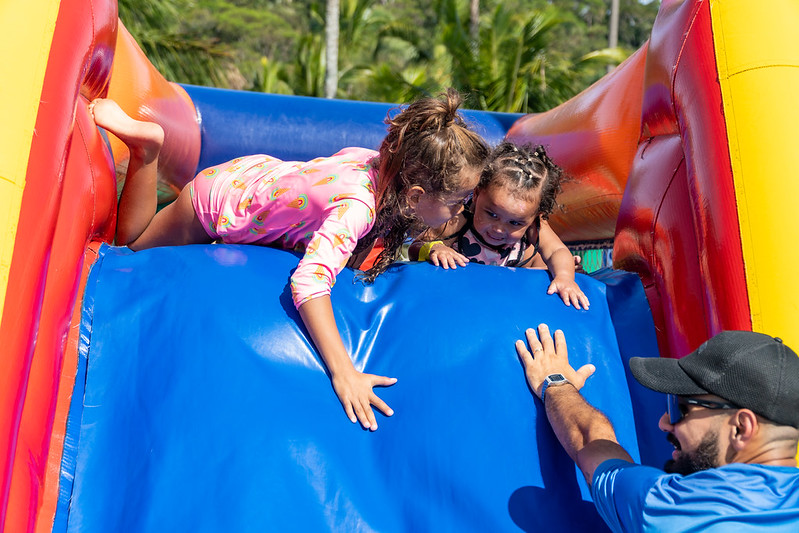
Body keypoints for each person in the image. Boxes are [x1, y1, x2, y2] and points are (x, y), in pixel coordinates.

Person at [90, 89, 489, 432]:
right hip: (217, 203)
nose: (461, 211)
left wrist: (428, 247)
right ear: (416, 195)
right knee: (132, 247)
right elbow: (310, 283)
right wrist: (344, 371)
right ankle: (147, 151)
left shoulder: (379, 165)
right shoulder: (357, 208)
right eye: (457, 202)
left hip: (256, 176)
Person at [516, 324, 799, 531]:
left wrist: (554, 382)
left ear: (740, 428)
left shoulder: (668, 508)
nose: (663, 422)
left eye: (681, 409)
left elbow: (592, 445)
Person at [409, 143, 589, 309]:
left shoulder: (533, 228)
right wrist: (436, 248)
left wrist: (564, 276)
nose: (499, 229)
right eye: (492, 214)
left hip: (506, 302)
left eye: (515, 223)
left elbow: (557, 250)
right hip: (461, 300)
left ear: (535, 217)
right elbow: (414, 247)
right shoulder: (458, 222)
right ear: (477, 195)